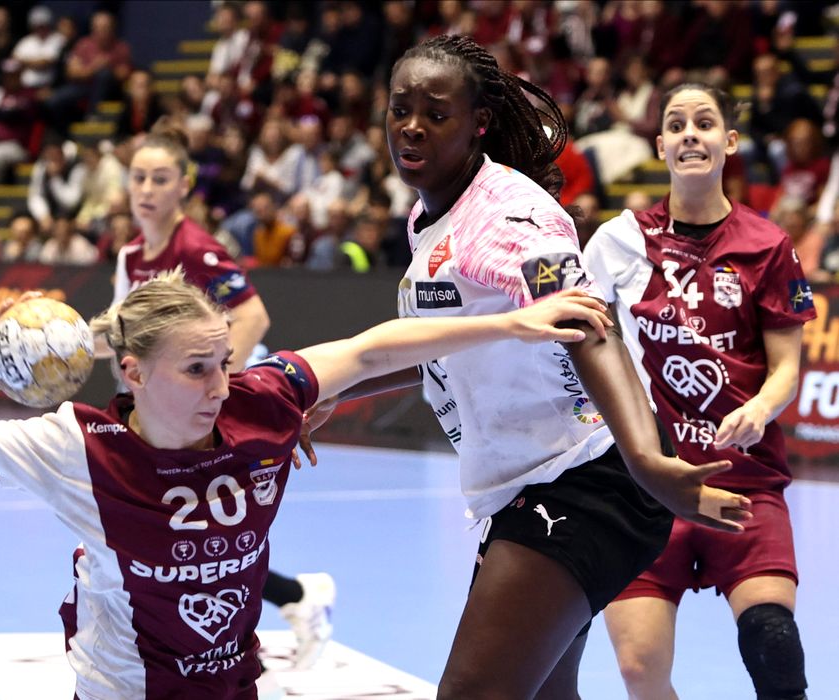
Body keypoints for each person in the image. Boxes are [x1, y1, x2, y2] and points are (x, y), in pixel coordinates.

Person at [0, 270, 616, 700]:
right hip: (125, 688)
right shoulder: (79, 447)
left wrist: (514, 323)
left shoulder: (260, 402)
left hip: (232, 684)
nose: (219, 384)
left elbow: (369, 350)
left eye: (224, 362)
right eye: (196, 369)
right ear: (133, 373)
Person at [303, 34, 753, 699]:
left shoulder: (509, 220)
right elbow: (448, 342)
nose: (412, 127)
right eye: (400, 110)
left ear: (478, 122)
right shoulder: (430, 215)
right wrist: (344, 391)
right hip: (527, 487)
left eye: (436, 113)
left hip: (582, 483)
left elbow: (586, 323)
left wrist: (646, 460)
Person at [585, 83, 816, 700]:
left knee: (773, 644)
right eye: (677, 124)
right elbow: (581, 347)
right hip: (646, 487)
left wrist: (759, 409)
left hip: (744, 480)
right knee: (640, 671)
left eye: (705, 122)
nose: (691, 133)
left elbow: (786, 368)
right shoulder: (618, 241)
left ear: (729, 142)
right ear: (661, 146)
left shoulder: (768, 246)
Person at [109, 119, 340, 670]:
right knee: (182, 537)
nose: (146, 190)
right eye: (138, 177)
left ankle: (261, 626)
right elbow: (119, 335)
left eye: (160, 179)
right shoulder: (131, 255)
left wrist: (214, 388)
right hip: (159, 416)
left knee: (200, 537)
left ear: (184, 185)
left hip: (210, 414)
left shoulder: (197, 250)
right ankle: (296, 600)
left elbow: (253, 316)